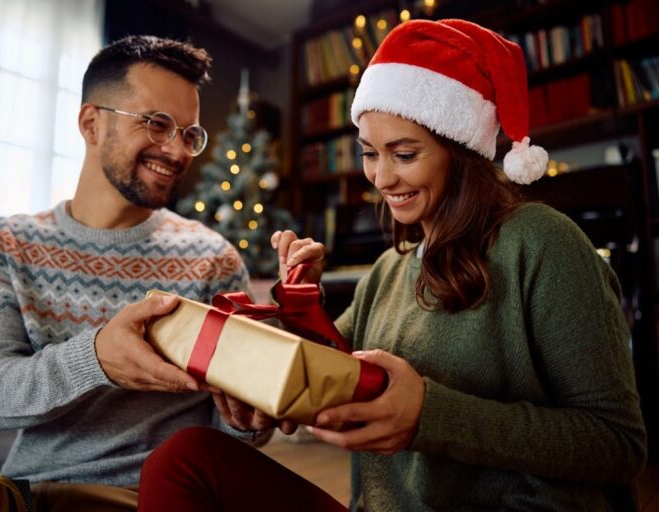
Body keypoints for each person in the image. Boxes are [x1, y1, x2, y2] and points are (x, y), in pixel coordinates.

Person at [137, 19, 648, 511]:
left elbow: (617, 442)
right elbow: (321, 382)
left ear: (461, 152)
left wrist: (429, 414)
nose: (381, 177)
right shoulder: (387, 270)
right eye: (369, 153)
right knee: (185, 460)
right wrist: (293, 325)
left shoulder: (541, 243)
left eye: (404, 155)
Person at [0, 35, 258, 511]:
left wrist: (250, 415)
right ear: (91, 123)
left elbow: (235, 436)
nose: (177, 151)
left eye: (188, 134)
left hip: (162, 497)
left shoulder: (213, 259)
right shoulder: (7, 243)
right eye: (157, 124)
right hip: (29, 493)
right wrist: (95, 359)